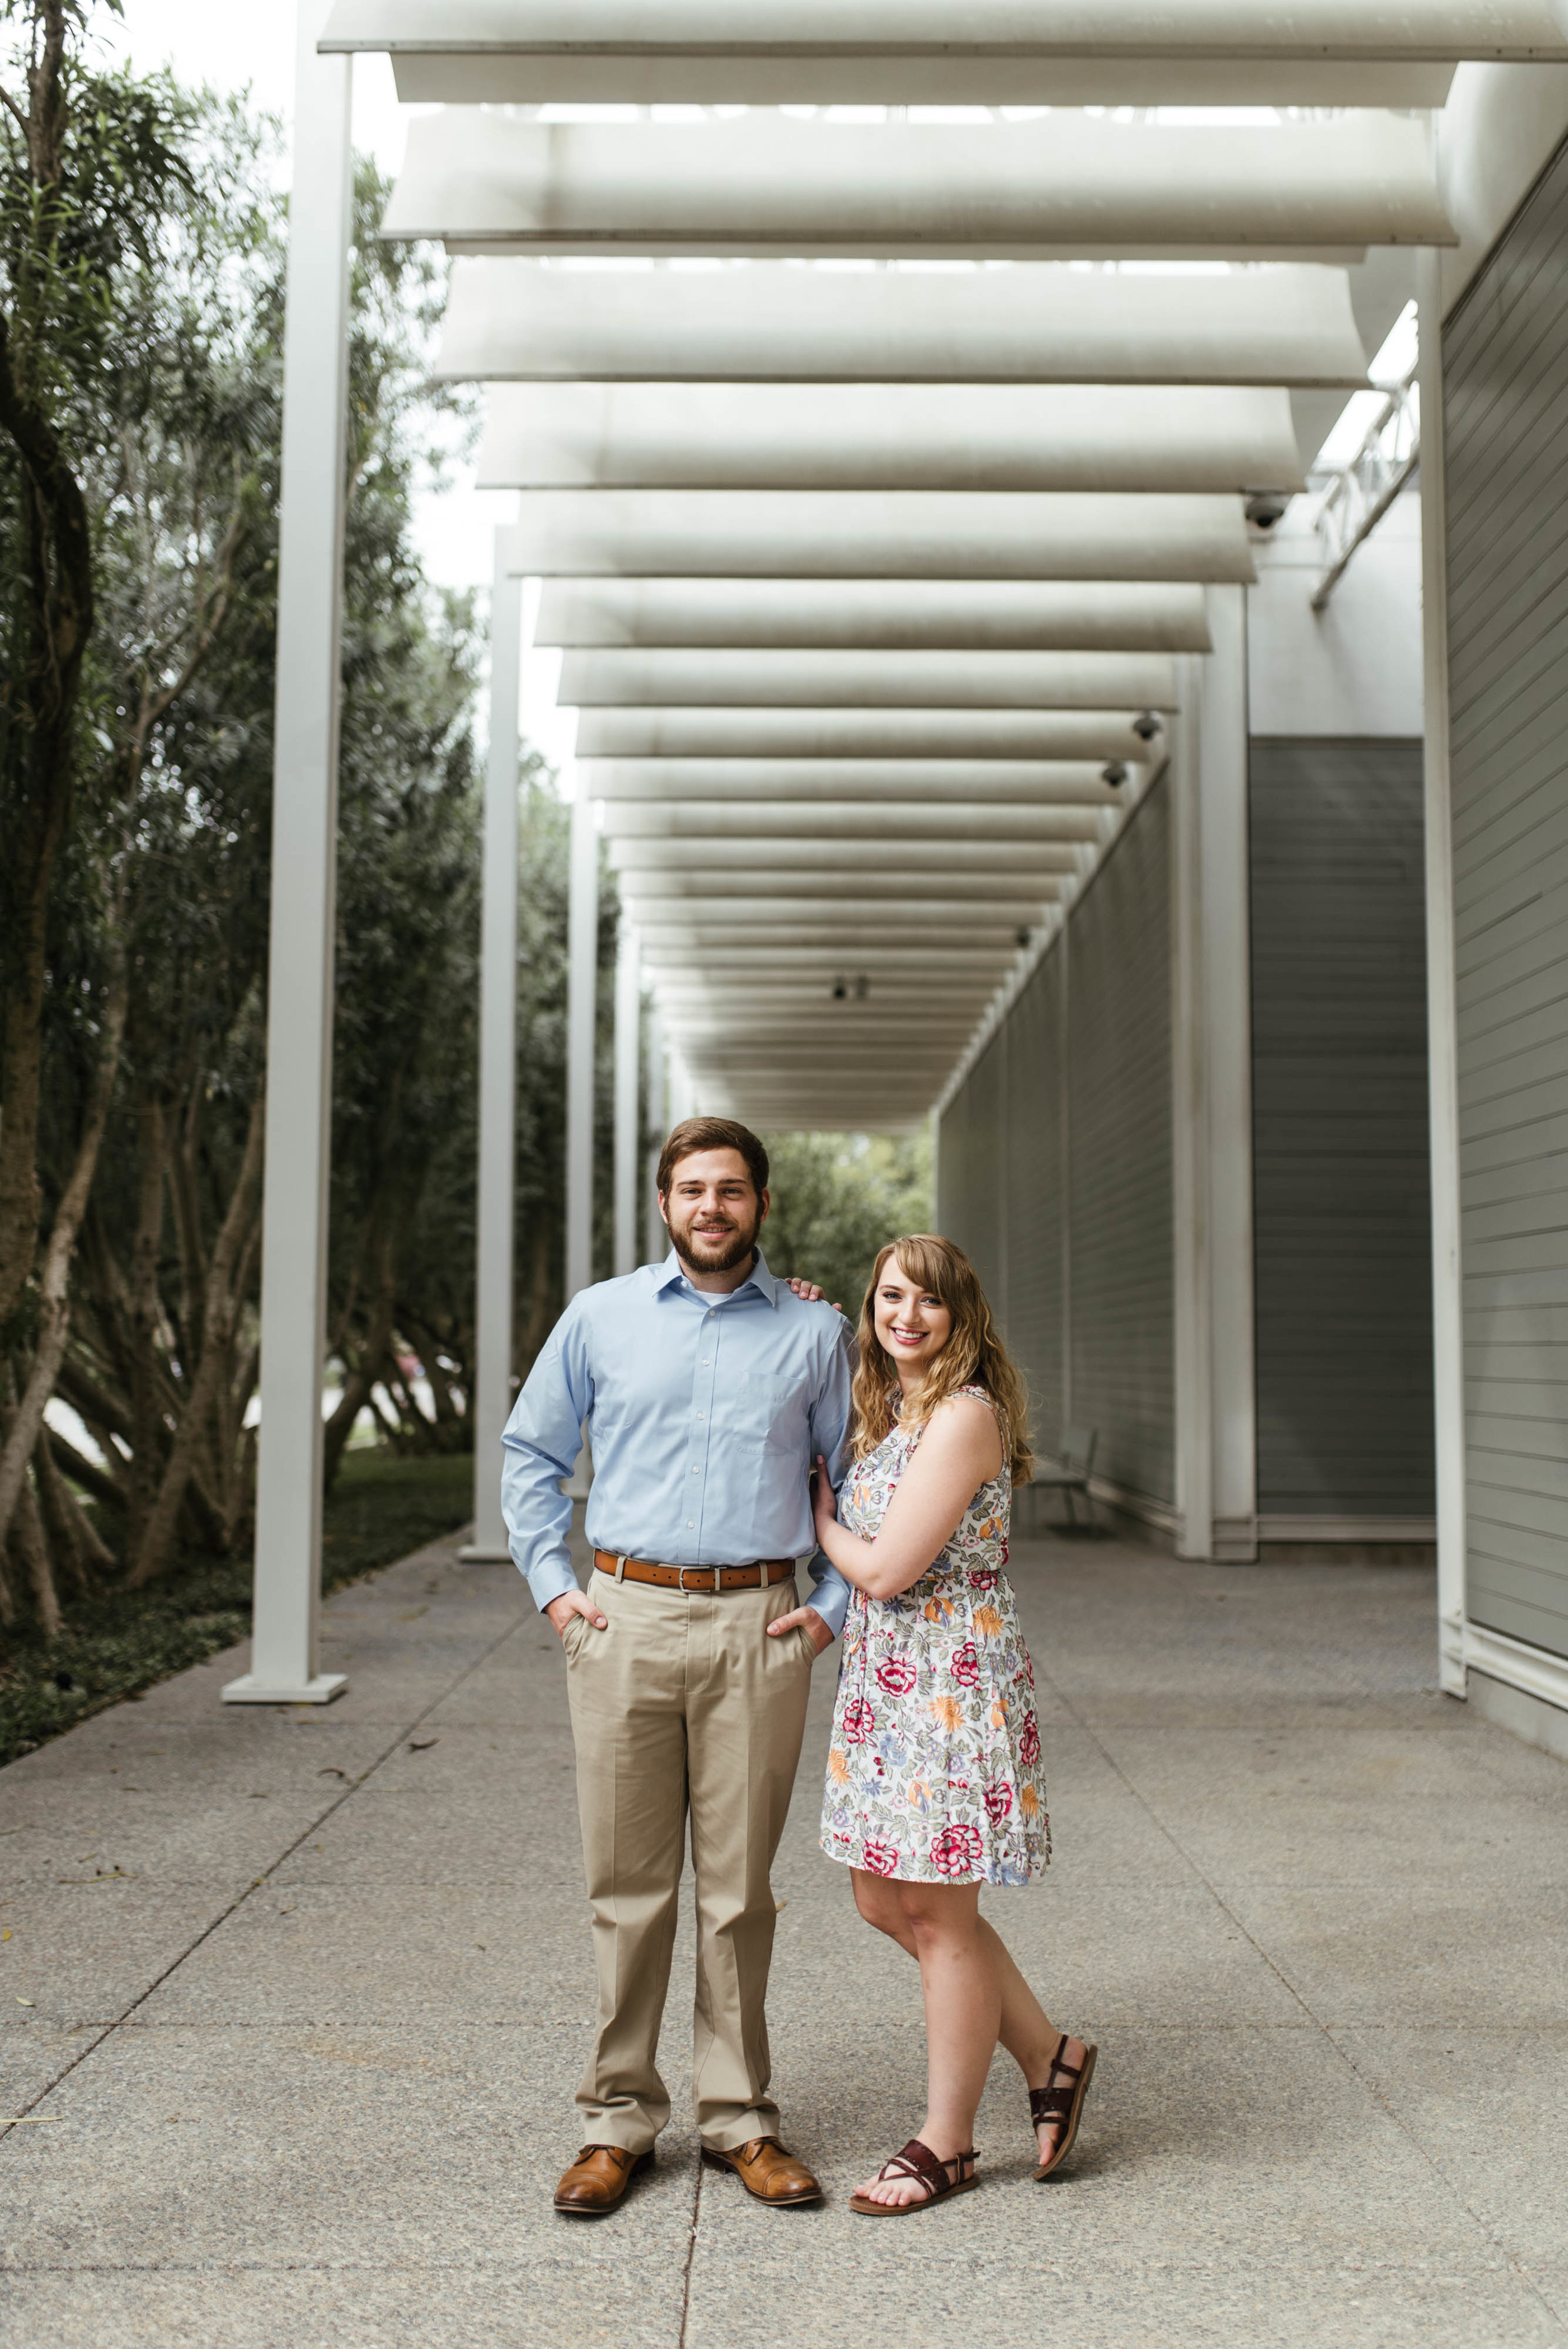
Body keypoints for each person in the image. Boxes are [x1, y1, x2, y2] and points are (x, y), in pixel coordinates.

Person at [501, 1118, 855, 2219]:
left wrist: (829, 1608)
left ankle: (740, 2117)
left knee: (739, 1890)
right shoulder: (600, 1317)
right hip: (624, 1619)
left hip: (760, 1623)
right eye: (693, 1188)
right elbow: (531, 1453)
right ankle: (616, 2120)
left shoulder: (816, 1333)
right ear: (665, 1203)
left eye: (733, 1189)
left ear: (760, 1202)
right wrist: (559, 1593)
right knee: (627, 1884)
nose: (713, 1206)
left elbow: (856, 1475)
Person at [810, 1233, 1096, 2214]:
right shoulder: (898, 1405)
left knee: (939, 1914)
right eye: (890, 1296)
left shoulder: (965, 1414)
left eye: (928, 1300)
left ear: (961, 1313)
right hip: (890, 1685)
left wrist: (820, 1526)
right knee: (887, 1903)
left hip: (945, 1682)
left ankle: (949, 2142)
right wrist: (801, 1302)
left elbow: (887, 1569)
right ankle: (1051, 2056)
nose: (907, 1315)